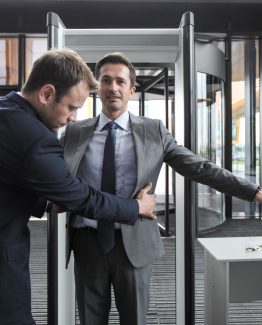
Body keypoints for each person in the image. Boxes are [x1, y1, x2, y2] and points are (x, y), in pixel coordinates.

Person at [62, 52, 262, 325]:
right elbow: (54, 173)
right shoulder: (75, 132)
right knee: (89, 319)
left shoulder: (153, 130)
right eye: (106, 80)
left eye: (120, 81)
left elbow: (198, 166)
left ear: (131, 90)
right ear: (97, 87)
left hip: (135, 242)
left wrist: (253, 191)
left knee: (135, 318)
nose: (113, 88)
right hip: (87, 242)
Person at [0, 49, 157, 325]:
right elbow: (82, 197)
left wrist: (46, 203)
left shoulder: (6, 111)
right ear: (47, 94)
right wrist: (137, 206)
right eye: (71, 107)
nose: (73, 118)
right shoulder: (36, 139)